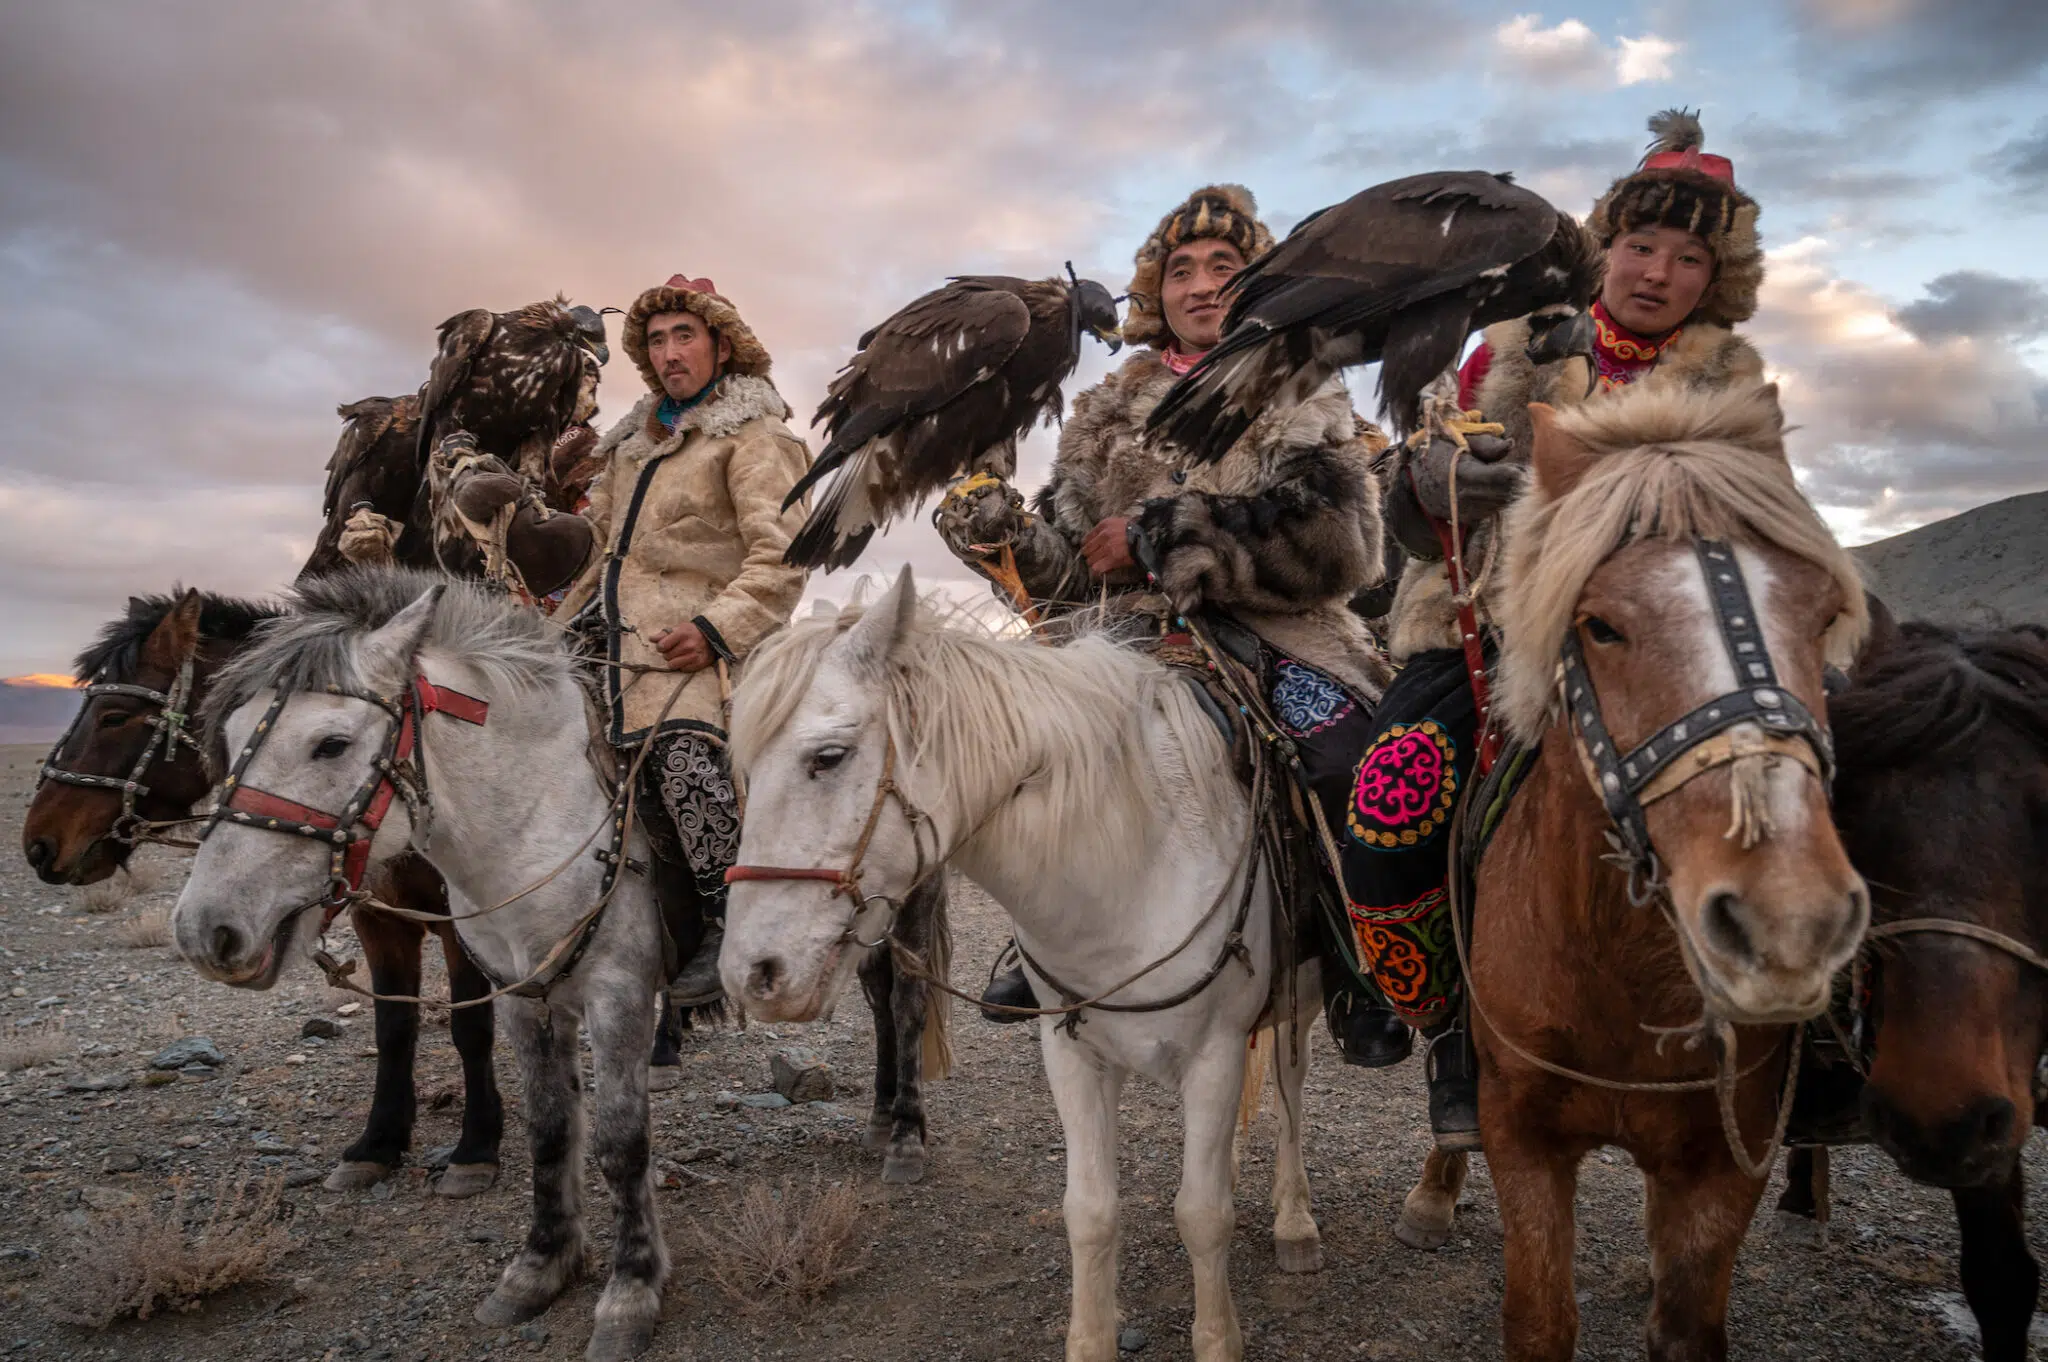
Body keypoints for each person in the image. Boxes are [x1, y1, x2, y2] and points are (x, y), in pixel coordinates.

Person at [1366, 109, 1770, 1149]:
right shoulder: (1504, 345)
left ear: (1711, 276)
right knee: (1388, 791)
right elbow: (1416, 507)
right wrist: (1436, 480)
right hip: (1487, 622)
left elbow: (1753, 510)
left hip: (1664, 642)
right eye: (1640, 246)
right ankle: (1445, 1023)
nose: (1656, 273)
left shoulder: (1729, 378)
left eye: (1687, 257)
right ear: (1603, 245)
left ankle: (1812, 1016)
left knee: (1824, 773)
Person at [936, 185, 1411, 1066]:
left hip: (1280, 634)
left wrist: (1169, 535)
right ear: (1156, 293)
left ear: (1259, 284)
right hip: (1133, 641)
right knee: (1031, 759)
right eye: (1181, 271)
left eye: (1224, 269)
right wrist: (1007, 537)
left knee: (1350, 757)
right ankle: (1042, 946)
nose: (1201, 286)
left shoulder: (1301, 385)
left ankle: (1361, 965)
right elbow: (1076, 575)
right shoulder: (1106, 414)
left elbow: (1345, 544)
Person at [554, 274, 812, 1005]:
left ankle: (723, 916)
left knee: (680, 748)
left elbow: (784, 557)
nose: (669, 352)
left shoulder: (757, 439)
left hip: (699, 636)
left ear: (721, 347)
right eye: (658, 341)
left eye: (685, 336)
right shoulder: (631, 446)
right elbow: (594, 544)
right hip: (604, 625)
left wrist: (715, 630)